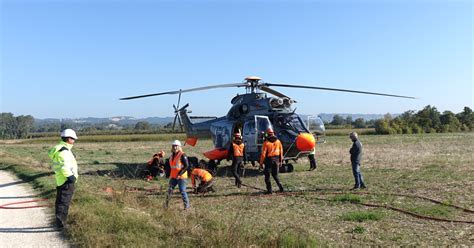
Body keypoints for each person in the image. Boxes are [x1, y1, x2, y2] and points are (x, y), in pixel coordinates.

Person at [47, 129, 79, 229]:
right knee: (64, 203)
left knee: (60, 201)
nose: (74, 140)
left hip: (61, 179)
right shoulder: (63, 151)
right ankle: (61, 224)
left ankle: (59, 222)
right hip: (66, 180)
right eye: (73, 138)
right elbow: (64, 166)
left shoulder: (61, 148)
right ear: (69, 139)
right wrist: (70, 177)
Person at [164, 140, 190, 210]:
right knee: (169, 190)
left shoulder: (182, 155)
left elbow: (186, 166)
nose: (175, 147)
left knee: (182, 191)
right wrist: (167, 174)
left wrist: (180, 174)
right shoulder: (172, 155)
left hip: (181, 177)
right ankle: (165, 205)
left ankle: (186, 207)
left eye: (176, 146)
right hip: (173, 176)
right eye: (173, 146)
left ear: (179, 147)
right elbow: (171, 167)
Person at [259, 128, 284, 194]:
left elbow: (263, 154)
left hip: (269, 160)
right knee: (275, 175)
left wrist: (261, 163)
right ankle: (281, 187)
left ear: (267, 134)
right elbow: (281, 152)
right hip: (276, 159)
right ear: (273, 133)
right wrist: (281, 161)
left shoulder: (266, 143)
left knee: (267, 176)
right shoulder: (278, 141)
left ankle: (269, 190)